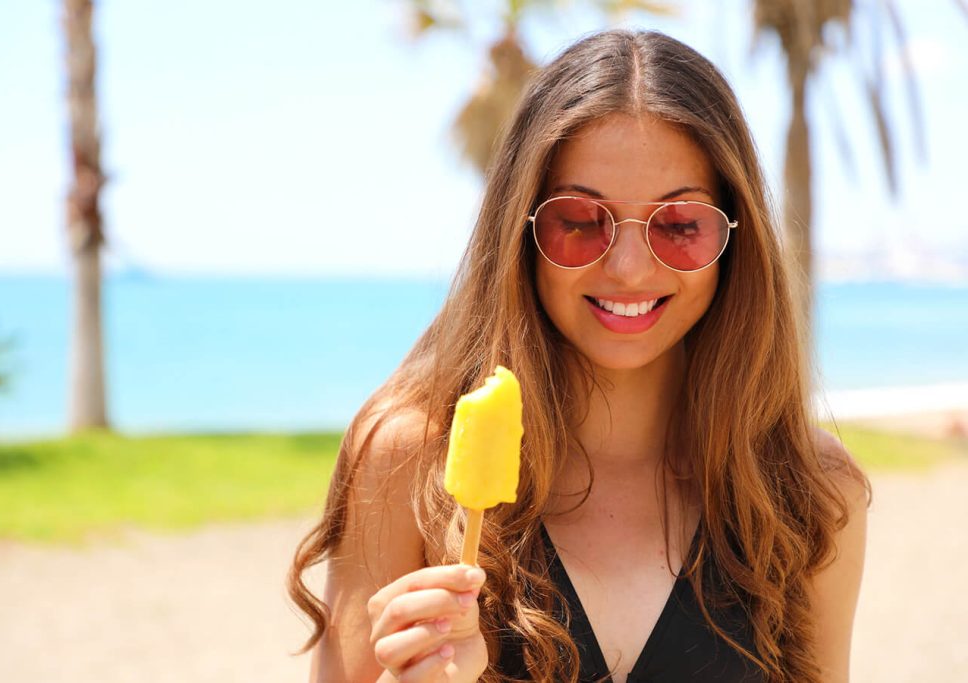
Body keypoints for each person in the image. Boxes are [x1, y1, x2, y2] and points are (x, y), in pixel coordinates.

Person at [289, 29, 869, 683]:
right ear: (523, 228)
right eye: (578, 220)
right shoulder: (407, 460)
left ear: (734, 240)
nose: (627, 267)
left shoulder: (808, 492)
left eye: (679, 225)